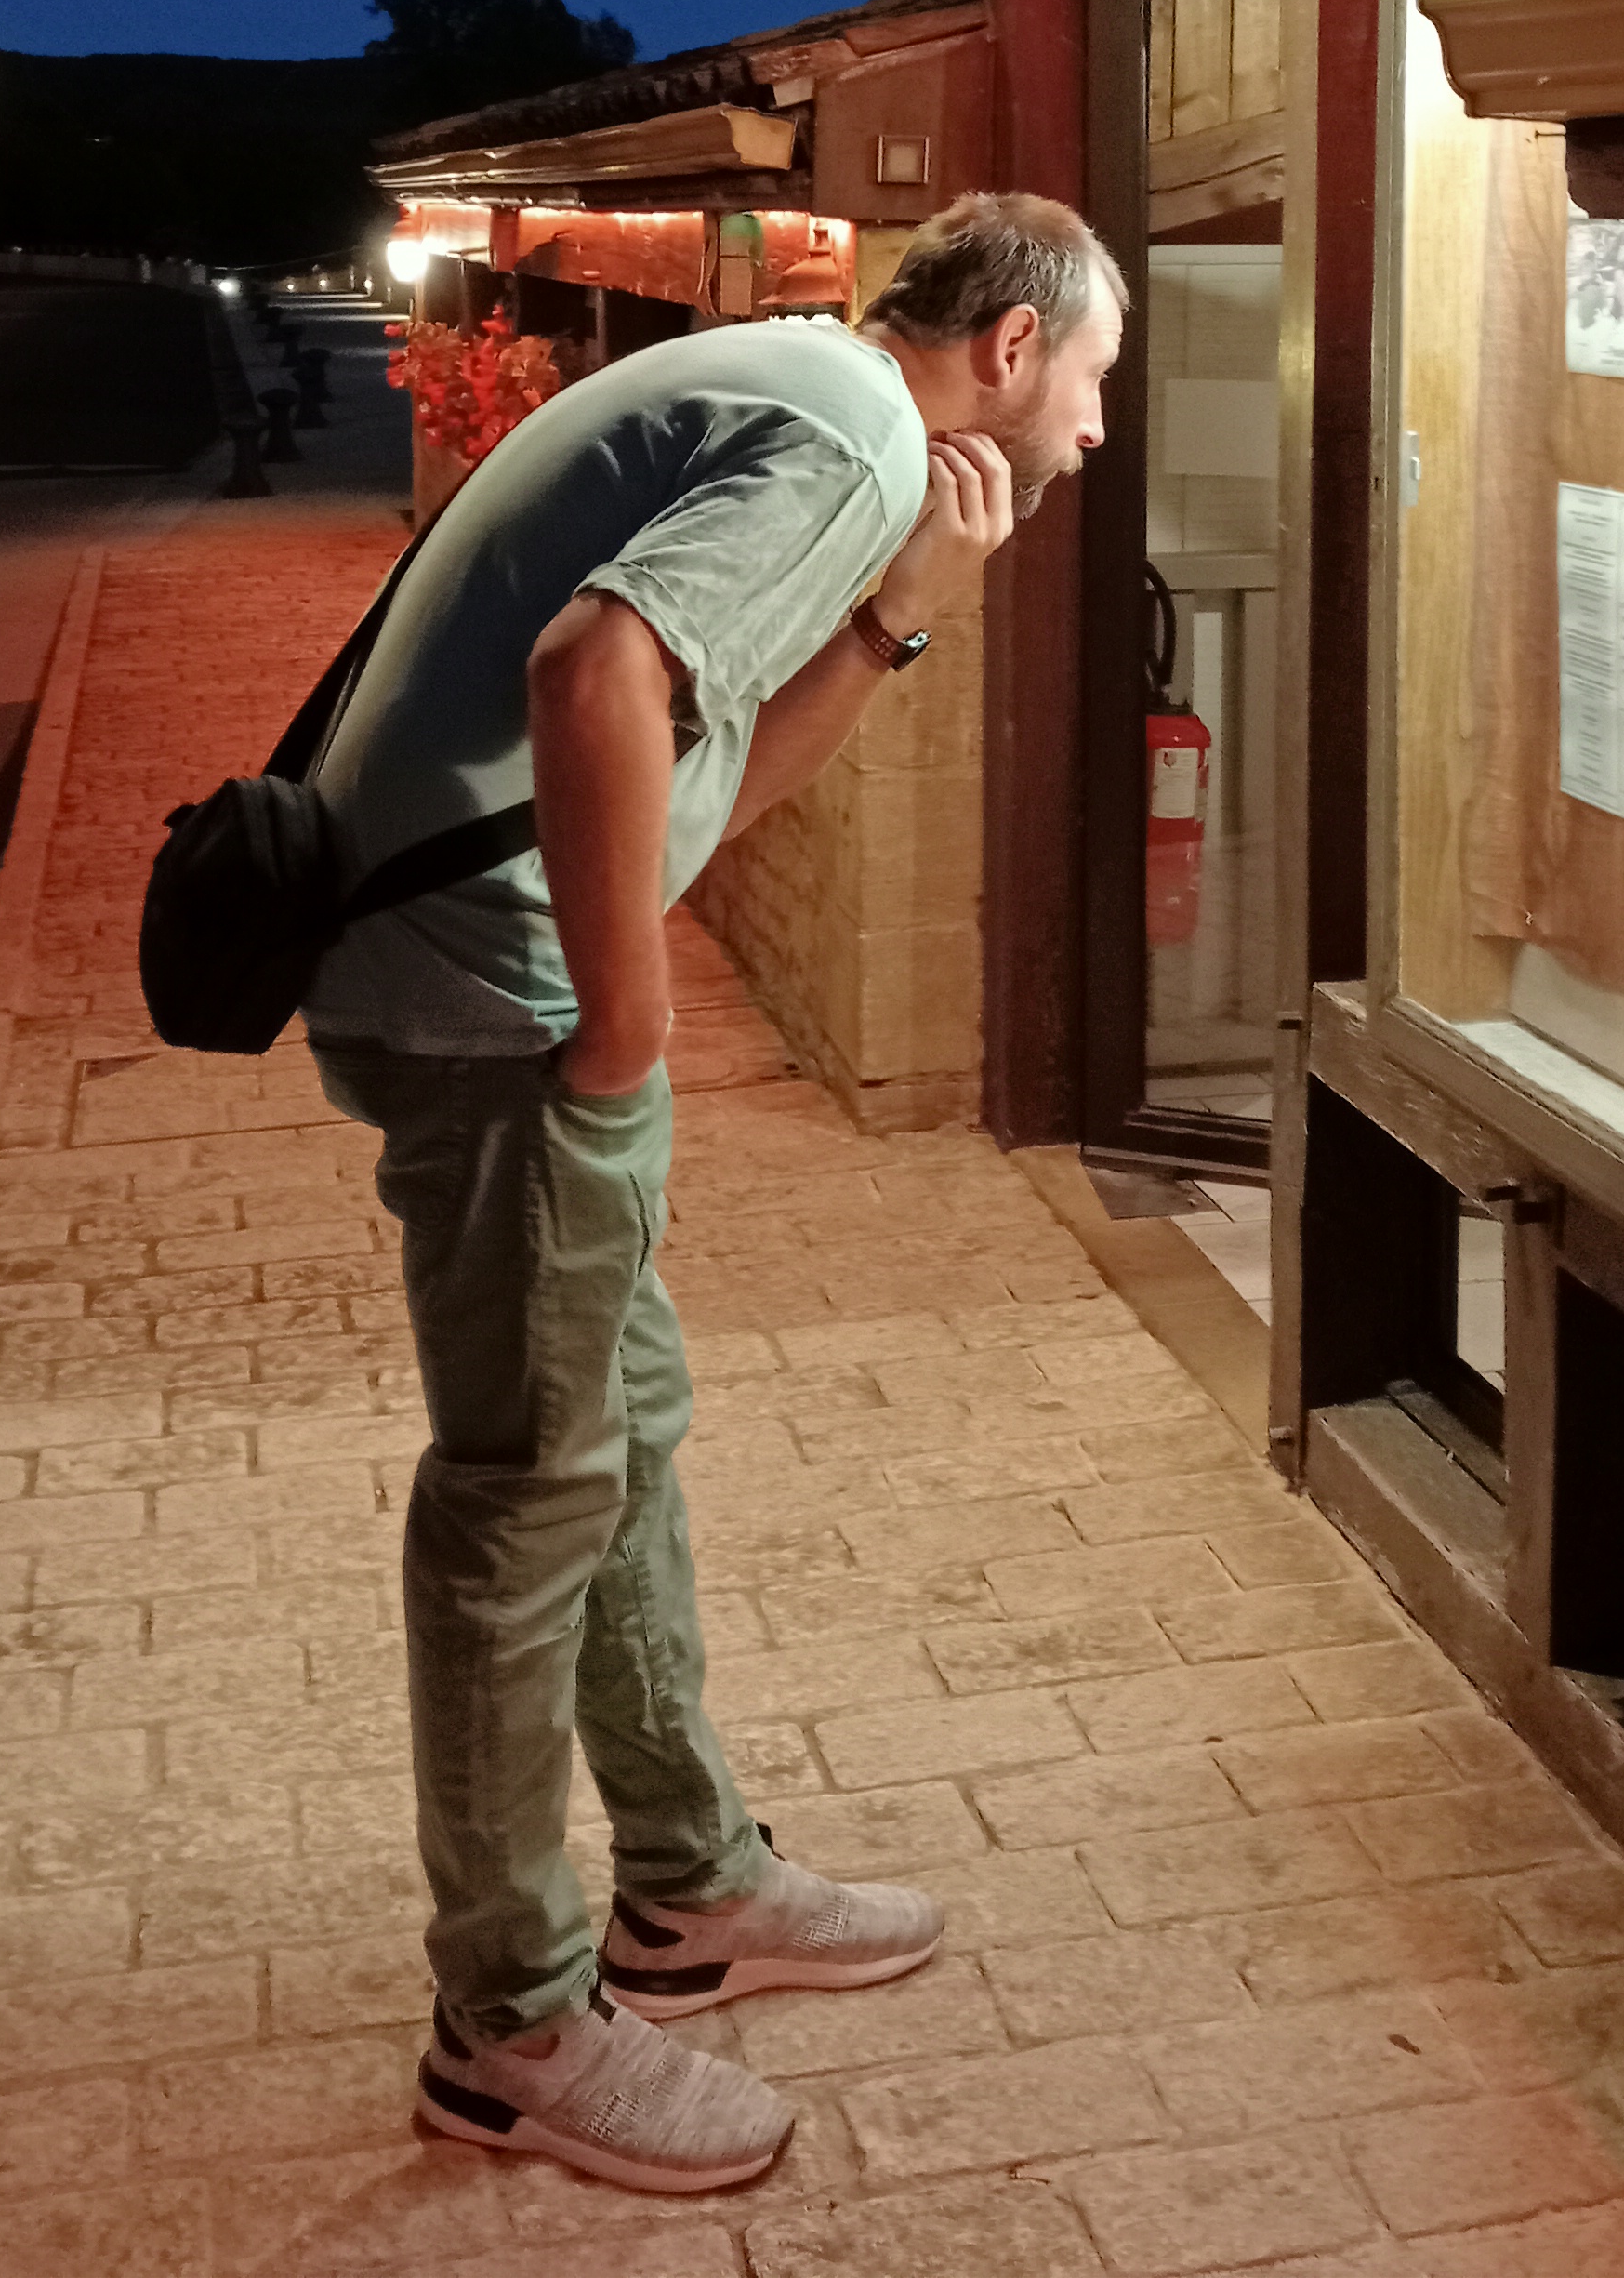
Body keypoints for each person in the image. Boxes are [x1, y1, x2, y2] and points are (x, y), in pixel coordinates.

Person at [304, 192, 1124, 2195]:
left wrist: (901, 615)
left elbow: (710, 782)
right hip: (498, 1016)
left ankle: (687, 1892)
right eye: (1099, 378)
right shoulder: (852, 431)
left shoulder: (813, 395)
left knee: (619, 1437)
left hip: (472, 986)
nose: (1099, 430)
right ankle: (511, 2030)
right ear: (1013, 348)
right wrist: (625, 1026)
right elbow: (600, 670)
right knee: (525, 1501)